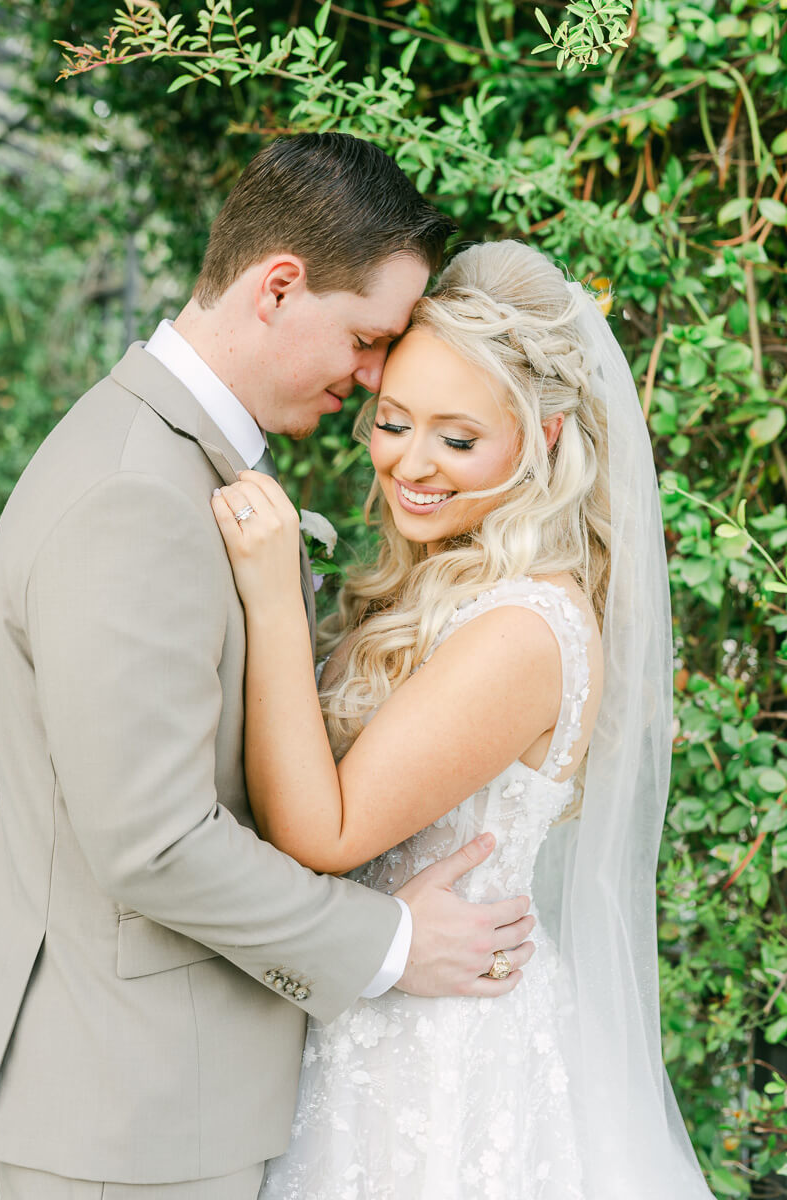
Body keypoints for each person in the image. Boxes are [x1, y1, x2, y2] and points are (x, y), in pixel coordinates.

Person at [0, 136, 538, 1200]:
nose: (375, 374)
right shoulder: (134, 496)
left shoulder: (165, 458)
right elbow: (152, 842)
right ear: (278, 286)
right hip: (132, 1116)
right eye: (368, 339)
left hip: (162, 1096)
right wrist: (386, 944)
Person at [213, 239, 717, 1199]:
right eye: (393, 421)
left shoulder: (524, 629)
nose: (411, 463)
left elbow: (326, 833)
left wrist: (277, 604)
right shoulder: (452, 583)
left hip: (438, 1056)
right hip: (379, 1013)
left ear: (547, 435)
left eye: (457, 439)